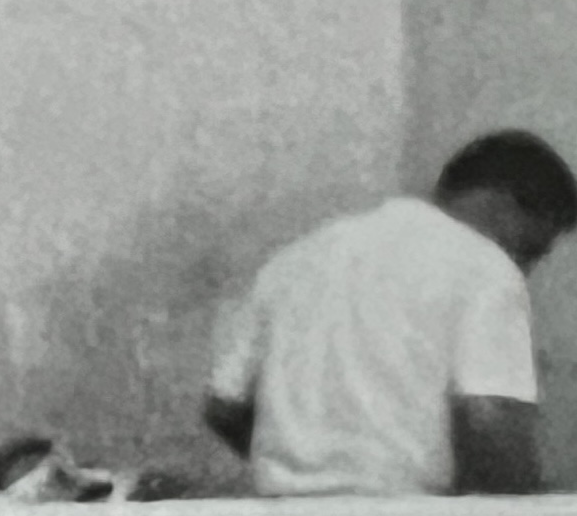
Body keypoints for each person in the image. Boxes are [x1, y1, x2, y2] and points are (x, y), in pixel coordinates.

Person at [204, 131, 577, 497]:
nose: (526, 269)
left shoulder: (297, 258)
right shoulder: (486, 269)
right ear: (504, 203)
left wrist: (306, 459)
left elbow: (224, 407)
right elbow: (492, 422)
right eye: (531, 249)